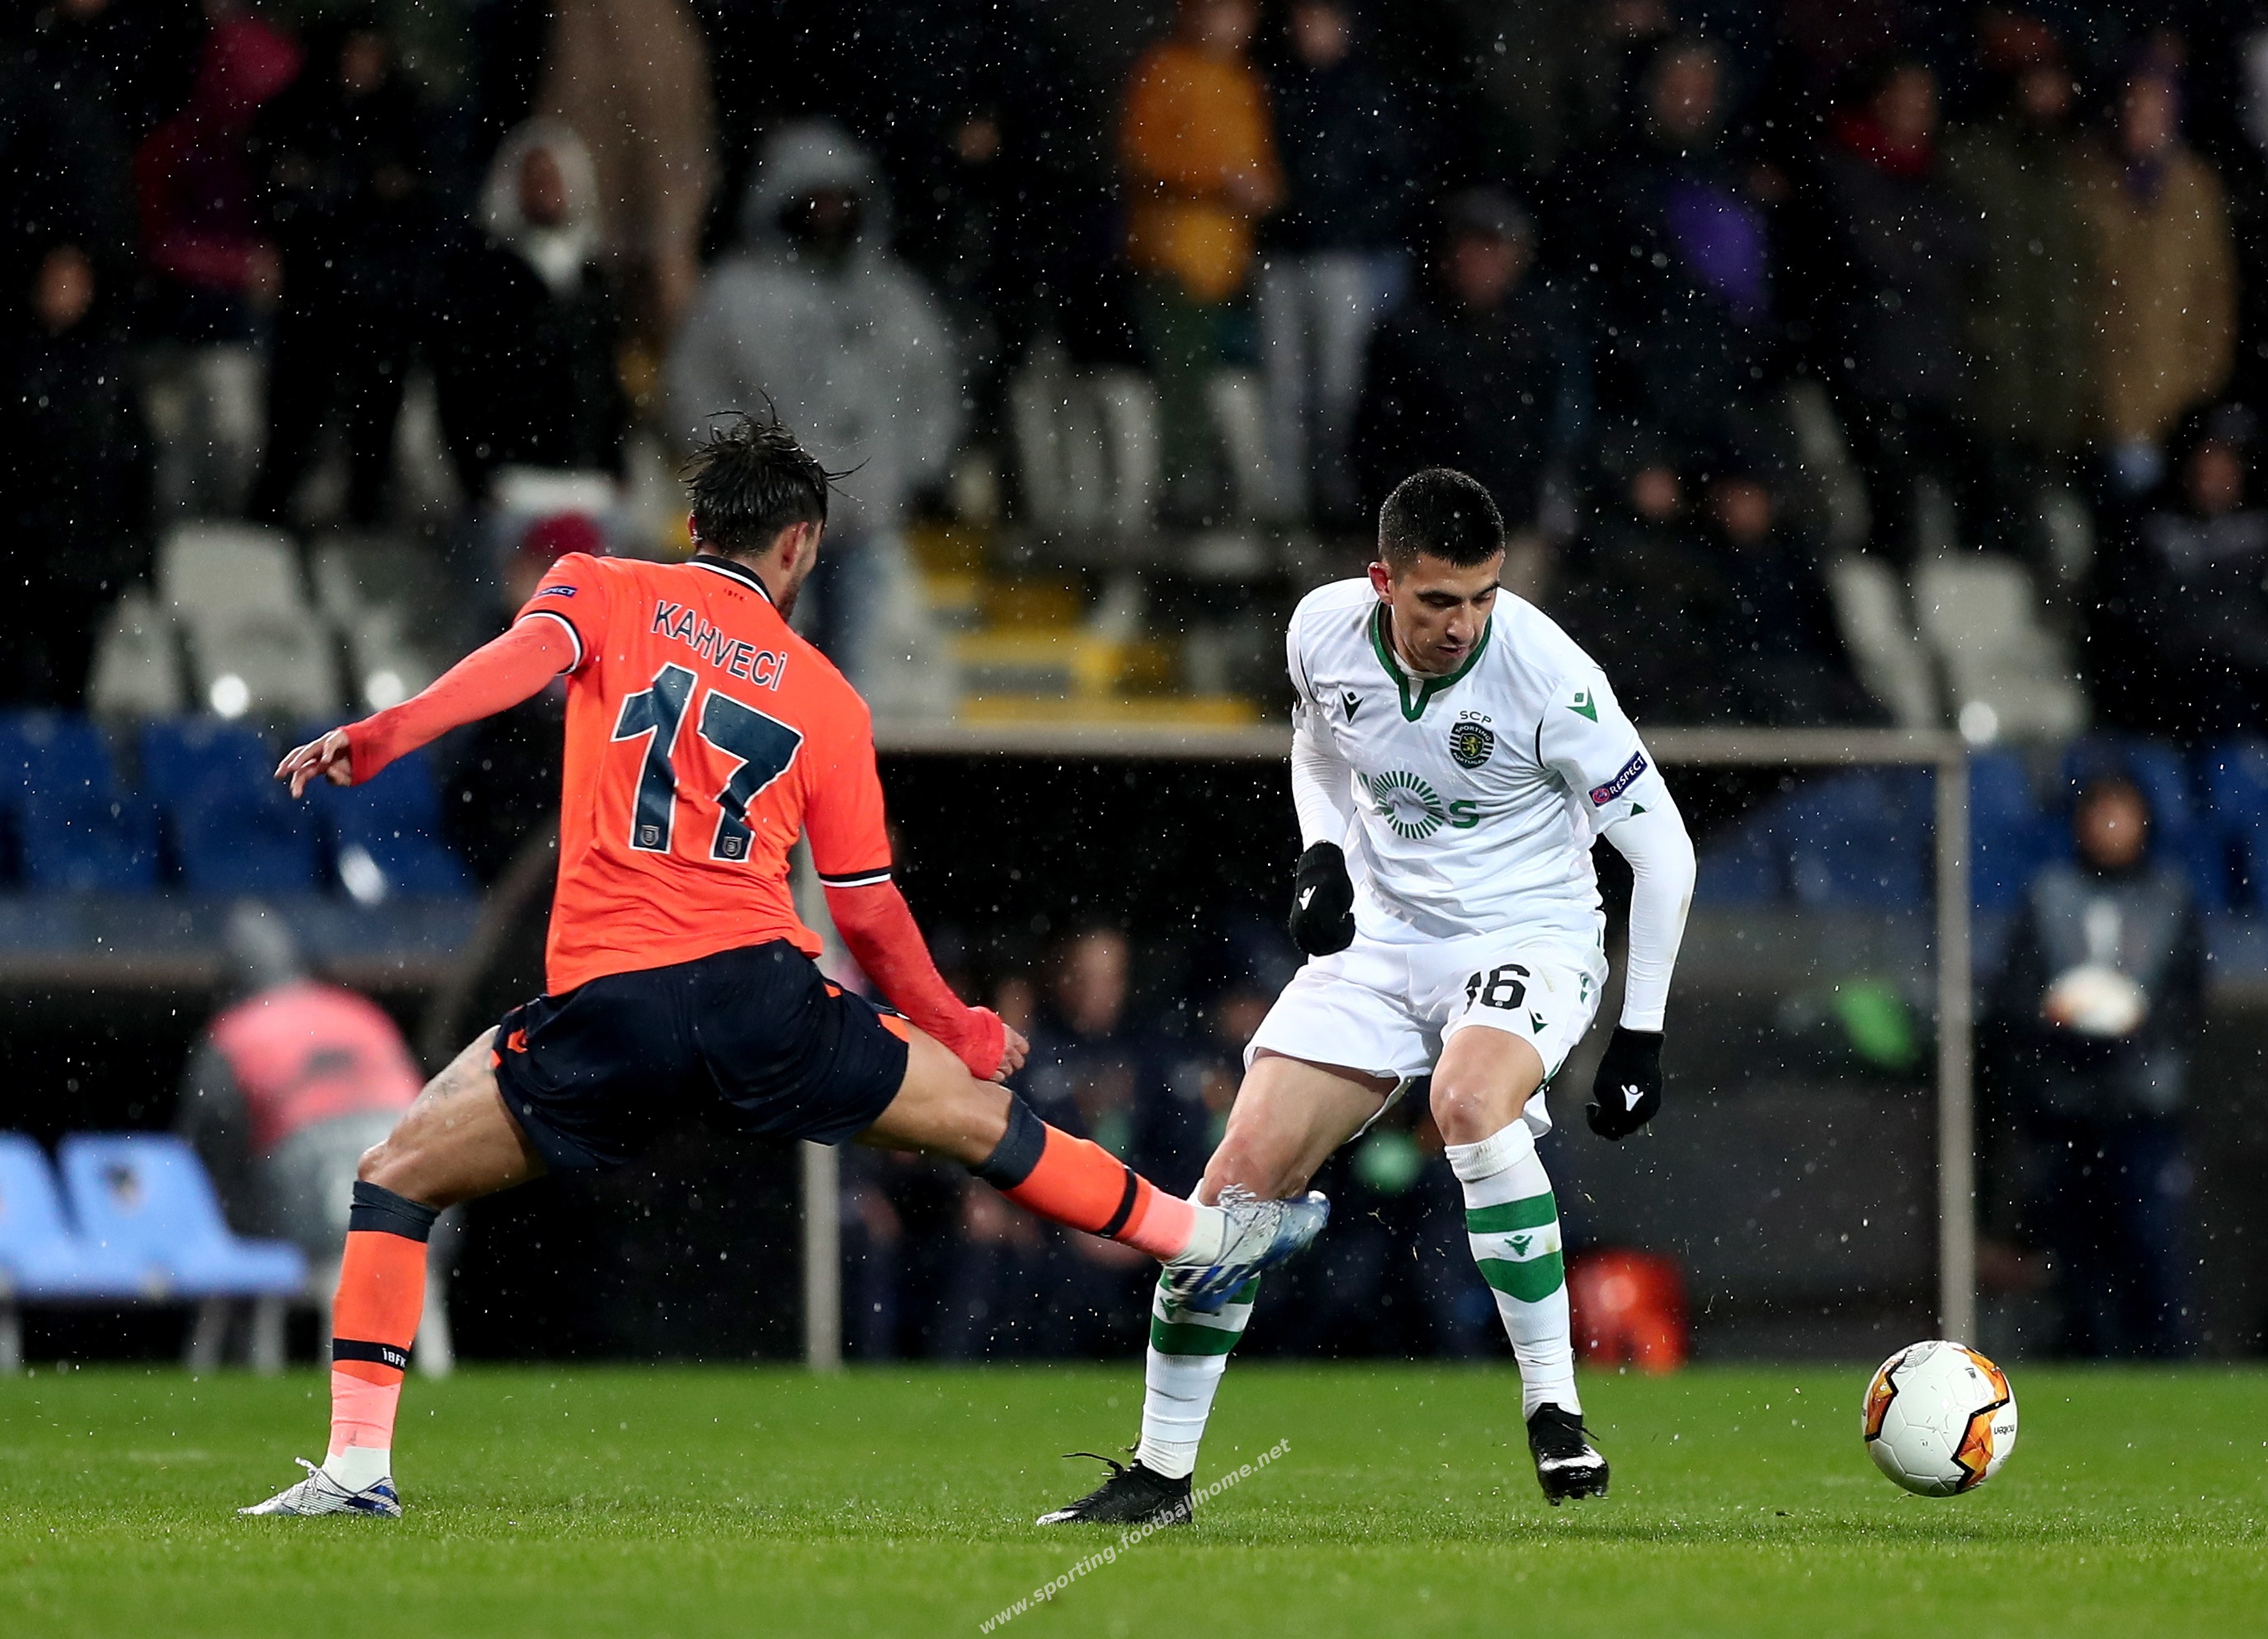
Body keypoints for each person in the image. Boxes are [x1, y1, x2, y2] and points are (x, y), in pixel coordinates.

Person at [241, 412, 1326, 1518]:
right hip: (761, 999)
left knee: (397, 1173)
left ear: (694, 525)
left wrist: (383, 733)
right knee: (978, 1121)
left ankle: (357, 1470)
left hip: (614, 1006)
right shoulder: (824, 695)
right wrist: (956, 1023)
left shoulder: (601, 587)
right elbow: (866, 908)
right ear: (800, 545)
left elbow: (518, 664)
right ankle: (1200, 1236)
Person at [1038, 468, 1695, 1526]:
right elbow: (1320, 746)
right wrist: (1323, 854)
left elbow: (1663, 852)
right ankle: (1159, 1477)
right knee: (1237, 1182)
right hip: (1384, 942)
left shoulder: (1548, 676)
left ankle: (1553, 1406)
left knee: (1467, 1102)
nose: (1462, 624)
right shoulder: (1320, 631)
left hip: (1527, 931)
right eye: (1437, 600)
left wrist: (1641, 1032)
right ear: (1381, 581)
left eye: (1481, 596)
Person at [664, 120, 961, 711]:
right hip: (771, 525)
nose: (827, 215)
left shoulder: (894, 299)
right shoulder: (736, 298)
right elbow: (694, 392)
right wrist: (747, 475)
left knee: (858, 675)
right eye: (813, 200)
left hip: (867, 522)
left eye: (838, 200)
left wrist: (908, 470)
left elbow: (931, 389)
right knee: (766, 674)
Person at [175, 902, 443, 1364]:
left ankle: (247, 1351)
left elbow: (201, 1149)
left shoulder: (235, 1031)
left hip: (308, 1192)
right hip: (422, 1191)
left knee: (236, 1201)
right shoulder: (358, 1011)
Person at [1992, 775, 2203, 1358]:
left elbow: (2188, 998)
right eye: (2099, 815)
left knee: (2152, 1240)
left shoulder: (2170, 897)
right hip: (2064, 1106)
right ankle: (2086, 1360)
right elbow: (2013, 995)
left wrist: (2139, 1022)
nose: (2110, 828)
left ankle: (2167, 1361)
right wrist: (2054, 1017)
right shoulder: (2047, 896)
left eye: (2121, 815)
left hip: (2144, 1104)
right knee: (2074, 1250)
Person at [1353, 189, 1588, 594]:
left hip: (1510, 533)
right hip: (1425, 539)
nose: (1483, 263)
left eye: (1496, 250)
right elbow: (1375, 441)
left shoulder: (1535, 335)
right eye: (1473, 248)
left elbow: (1548, 436)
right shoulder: (1407, 334)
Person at [1809, 56, 1983, 562]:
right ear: (1879, 100)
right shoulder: (1845, 168)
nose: (1917, 110)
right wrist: (1929, 252)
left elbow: (1975, 246)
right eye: (1906, 97)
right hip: (1870, 369)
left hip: (1934, 372)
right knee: (1887, 517)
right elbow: (1875, 250)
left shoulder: (1938, 172)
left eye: (1925, 100)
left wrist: (1918, 247)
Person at [1258, 0, 1423, 525]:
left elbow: (1396, 180)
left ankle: (1339, 497)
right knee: (1283, 387)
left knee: (1340, 386)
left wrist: (1345, 223)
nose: (1310, 31)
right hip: (1283, 255)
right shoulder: (1273, 88)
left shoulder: (1368, 94)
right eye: (1303, 20)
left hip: (1342, 257)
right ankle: (1286, 502)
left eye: (1321, 20)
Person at [1119, 0, 1284, 520]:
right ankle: (1180, 487)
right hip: (1174, 257)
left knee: (1225, 379)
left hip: (1228, 265)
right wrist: (1218, 180)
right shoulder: (1165, 71)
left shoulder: (1244, 81)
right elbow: (1144, 153)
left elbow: (1258, 160)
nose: (1230, 24)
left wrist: (1263, 188)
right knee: (1181, 377)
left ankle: (1235, 491)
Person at [1941, 14, 2095, 563]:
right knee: (1989, 536)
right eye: (2037, 80)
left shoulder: (2070, 166)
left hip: (2051, 382)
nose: (2050, 94)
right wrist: (1981, 333)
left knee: (2044, 532)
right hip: (1992, 381)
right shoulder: (1973, 160)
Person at [429, 119, 626, 502]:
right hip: (512, 482)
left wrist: (614, 464)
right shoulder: (482, 274)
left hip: (589, 483)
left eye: (554, 178)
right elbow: (459, 381)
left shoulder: (592, 279)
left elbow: (606, 379)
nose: (545, 189)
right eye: (534, 178)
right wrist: (477, 475)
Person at [2074, 49, 2237, 502]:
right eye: (2133, 105)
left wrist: (2200, 381)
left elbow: (2214, 292)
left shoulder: (2195, 188)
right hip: (2097, 400)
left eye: (2155, 107)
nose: (2142, 120)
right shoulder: (2085, 181)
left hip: (2175, 403)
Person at [0, 239, 153, 707]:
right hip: (22, 554)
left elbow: (136, 463)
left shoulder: (111, 367)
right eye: (56, 282)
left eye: (74, 282)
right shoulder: (15, 361)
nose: (64, 293)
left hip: (87, 556)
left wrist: (129, 550)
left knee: (74, 685)